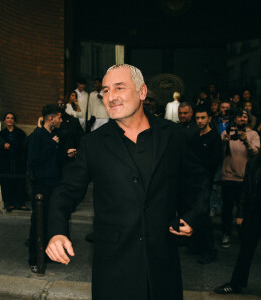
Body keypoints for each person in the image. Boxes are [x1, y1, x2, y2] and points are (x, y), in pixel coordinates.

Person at [46, 64, 209, 300]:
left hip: (162, 264)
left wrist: (193, 215)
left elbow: (199, 179)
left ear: (142, 92)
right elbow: (66, 191)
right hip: (114, 268)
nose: (110, 97)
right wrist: (56, 232)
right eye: (105, 91)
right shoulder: (93, 143)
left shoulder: (172, 135)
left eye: (119, 88)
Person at [214, 152, 261, 294]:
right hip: (255, 213)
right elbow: (245, 190)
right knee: (245, 250)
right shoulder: (254, 162)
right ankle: (236, 284)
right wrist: (240, 213)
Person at [27, 104, 62, 273]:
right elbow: (33, 162)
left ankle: (46, 255)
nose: (61, 120)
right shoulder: (38, 136)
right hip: (41, 186)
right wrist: (50, 145)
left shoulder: (52, 135)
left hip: (52, 185)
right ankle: (34, 259)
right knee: (37, 222)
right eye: (59, 117)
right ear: (51, 118)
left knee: (48, 222)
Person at [220, 109, 260, 248]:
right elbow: (219, 153)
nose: (242, 119)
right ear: (235, 119)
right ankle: (226, 234)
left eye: (244, 117)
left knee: (245, 210)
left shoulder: (253, 134)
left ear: (247, 119)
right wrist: (224, 142)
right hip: (228, 177)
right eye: (239, 116)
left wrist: (246, 141)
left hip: (245, 180)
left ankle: (244, 235)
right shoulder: (226, 133)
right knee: (227, 209)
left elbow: (255, 153)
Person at [188, 105, 222, 264]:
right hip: (193, 181)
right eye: (197, 118)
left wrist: (196, 166)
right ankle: (197, 246)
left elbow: (214, 162)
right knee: (195, 214)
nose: (200, 121)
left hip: (205, 181)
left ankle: (209, 250)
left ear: (209, 119)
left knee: (203, 214)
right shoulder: (196, 136)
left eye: (203, 118)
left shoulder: (214, 137)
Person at [0, 112, 28, 212]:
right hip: (6, 163)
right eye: (7, 118)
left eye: (12, 118)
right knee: (7, 182)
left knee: (19, 182)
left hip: (18, 162)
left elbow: (25, 147)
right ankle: (9, 203)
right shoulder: (2, 134)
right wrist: (3, 147)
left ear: (14, 121)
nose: (10, 120)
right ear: (5, 121)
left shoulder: (20, 133)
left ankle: (20, 203)